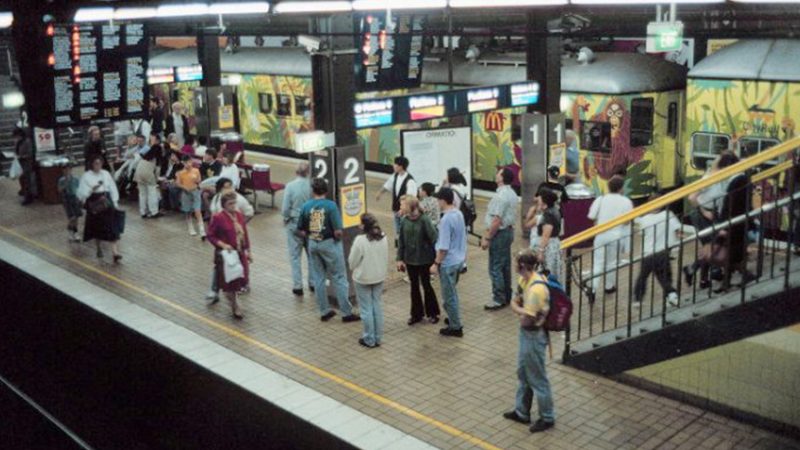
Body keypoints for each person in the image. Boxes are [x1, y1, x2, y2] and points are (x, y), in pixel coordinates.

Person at [503, 250, 555, 434]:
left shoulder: (536, 289)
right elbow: (516, 299)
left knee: (537, 377)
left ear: (523, 266)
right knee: (524, 372)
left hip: (534, 335)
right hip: (527, 334)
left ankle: (547, 417)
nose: (514, 265)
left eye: (516, 262)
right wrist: (518, 307)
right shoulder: (525, 279)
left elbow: (527, 318)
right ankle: (521, 411)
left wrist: (516, 308)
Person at [298, 178, 360, 323]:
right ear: (325, 190)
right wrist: (337, 238)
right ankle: (346, 312)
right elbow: (338, 231)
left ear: (313, 191)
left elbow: (300, 230)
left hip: (313, 243)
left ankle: (324, 311)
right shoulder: (331, 206)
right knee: (339, 277)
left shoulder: (306, 206)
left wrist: (311, 237)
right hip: (329, 244)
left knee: (319, 278)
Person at [683, 152, 735, 289]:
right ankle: (696, 270)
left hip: (713, 213)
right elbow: (692, 197)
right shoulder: (709, 178)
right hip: (701, 214)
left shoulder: (722, 177)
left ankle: (702, 278)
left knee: (711, 245)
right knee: (712, 246)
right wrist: (704, 211)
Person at [586, 175, 633, 303]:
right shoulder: (626, 202)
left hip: (600, 235)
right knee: (611, 262)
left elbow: (591, 216)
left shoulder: (600, 199)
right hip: (616, 236)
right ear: (621, 188)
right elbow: (627, 221)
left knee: (598, 262)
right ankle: (609, 287)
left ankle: (593, 288)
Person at [634, 196, 687, 307]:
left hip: (648, 253)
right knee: (664, 276)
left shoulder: (644, 220)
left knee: (642, 277)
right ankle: (671, 294)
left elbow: (642, 234)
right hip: (663, 252)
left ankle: (638, 299)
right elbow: (679, 232)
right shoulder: (668, 215)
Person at [207, 192, 251, 320]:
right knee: (230, 283)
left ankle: (235, 299)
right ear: (224, 205)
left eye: (234, 203)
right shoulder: (218, 217)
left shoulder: (239, 216)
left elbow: (245, 234)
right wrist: (222, 244)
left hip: (240, 252)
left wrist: (248, 250)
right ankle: (235, 305)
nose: (233, 206)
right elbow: (211, 235)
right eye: (230, 203)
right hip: (227, 256)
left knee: (243, 279)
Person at [397, 195, 440, 325]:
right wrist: (399, 259)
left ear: (411, 206)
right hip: (410, 259)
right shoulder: (404, 220)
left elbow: (434, 238)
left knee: (426, 285)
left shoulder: (424, 220)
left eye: (402, 205)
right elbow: (401, 241)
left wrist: (436, 260)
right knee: (414, 287)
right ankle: (416, 314)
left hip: (425, 259)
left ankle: (433, 313)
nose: (400, 207)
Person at [348, 213, 389, 348]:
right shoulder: (383, 237)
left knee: (366, 309)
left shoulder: (360, 240)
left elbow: (352, 262)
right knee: (376, 305)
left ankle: (369, 338)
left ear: (363, 226)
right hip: (379, 276)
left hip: (363, 278)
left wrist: (353, 268)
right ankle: (378, 337)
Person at [431, 187, 467, 337]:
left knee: (448, 296)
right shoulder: (458, 213)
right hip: (459, 260)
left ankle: (455, 327)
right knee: (453, 292)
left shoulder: (445, 220)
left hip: (448, 263)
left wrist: (436, 264)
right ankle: (453, 318)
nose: (437, 203)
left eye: (438, 200)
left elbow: (443, 247)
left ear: (443, 200)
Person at [483, 168, 519, 311]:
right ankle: (507, 295)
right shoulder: (512, 193)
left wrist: (487, 237)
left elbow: (496, 220)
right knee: (505, 265)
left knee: (495, 266)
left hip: (500, 233)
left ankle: (498, 298)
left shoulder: (501, 196)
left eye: (499, 173)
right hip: (508, 231)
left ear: (502, 178)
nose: (496, 174)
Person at [77, 156, 122, 263]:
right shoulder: (86, 176)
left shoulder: (105, 173)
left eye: (100, 163)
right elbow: (81, 192)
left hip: (106, 201)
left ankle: (115, 252)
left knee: (112, 227)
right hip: (94, 202)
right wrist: (91, 189)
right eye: (96, 163)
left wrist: (115, 202)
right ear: (92, 164)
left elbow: (112, 187)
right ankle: (98, 248)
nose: (98, 166)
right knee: (97, 228)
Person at [281, 162, 315, 296]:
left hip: (294, 223)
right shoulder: (313, 186)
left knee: (295, 256)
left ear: (296, 172)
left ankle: (298, 286)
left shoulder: (290, 186)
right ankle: (312, 283)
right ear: (308, 172)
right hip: (311, 224)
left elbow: (285, 209)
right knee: (311, 255)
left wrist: (286, 218)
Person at [376, 156, 417, 244]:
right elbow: (387, 185)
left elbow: (410, 198)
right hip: (396, 208)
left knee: (404, 229)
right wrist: (380, 193)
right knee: (397, 228)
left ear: (401, 166)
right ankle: (399, 243)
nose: (393, 166)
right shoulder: (395, 176)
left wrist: (403, 210)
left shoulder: (410, 181)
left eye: (395, 164)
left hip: (405, 212)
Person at [527, 189, 562, 282]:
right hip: (553, 245)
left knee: (546, 273)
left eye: (540, 199)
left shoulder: (548, 215)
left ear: (544, 204)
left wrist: (540, 252)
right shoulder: (554, 210)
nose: (538, 199)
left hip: (548, 248)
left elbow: (546, 235)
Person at [134, 133, 163, 219]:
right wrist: (157, 178)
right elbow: (158, 166)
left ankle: (143, 212)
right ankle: (154, 212)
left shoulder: (148, 150)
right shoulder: (158, 148)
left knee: (142, 193)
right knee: (152, 192)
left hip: (139, 169)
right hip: (148, 170)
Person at [176, 155, 205, 238]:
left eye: (189, 162)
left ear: (191, 162)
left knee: (197, 210)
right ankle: (190, 227)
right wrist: (184, 187)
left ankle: (202, 230)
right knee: (188, 211)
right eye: (185, 163)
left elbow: (199, 180)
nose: (188, 164)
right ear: (183, 163)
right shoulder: (180, 173)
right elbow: (178, 183)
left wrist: (197, 181)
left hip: (195, 192)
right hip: (186, 193)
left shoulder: (196, 170)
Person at [57, 164, 82, 242]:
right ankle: (71, 231)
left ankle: (75, 232)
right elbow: (59, 190)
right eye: (65, 170)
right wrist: (66, 183)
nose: (67, 171)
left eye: (69, 169)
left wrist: (80, 198)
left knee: (76, 216)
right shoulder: (61, 180)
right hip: (67, 199)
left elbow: (79, 188)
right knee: (71, 216)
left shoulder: (76, 179)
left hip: (75, 198)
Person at [13, 127, 35, 205]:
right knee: (22, 179)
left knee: (27, 181)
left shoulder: (27, 141)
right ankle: (24, 192)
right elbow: (16, 150)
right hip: (20, 163)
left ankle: (28, 197)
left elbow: (30, 154)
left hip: (27, 163)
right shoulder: (18, 142)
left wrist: (21, 156)